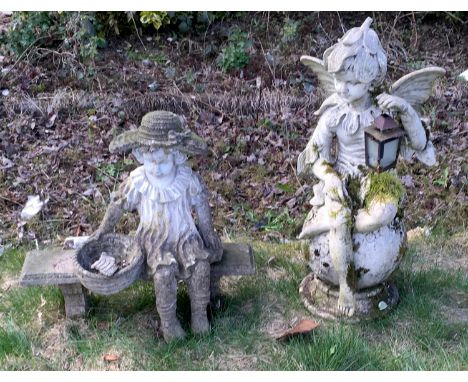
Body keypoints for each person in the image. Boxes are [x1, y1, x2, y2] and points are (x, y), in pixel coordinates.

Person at [297, 18, 429, 317]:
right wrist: (329, 177)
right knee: (341, 214)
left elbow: (419, 144)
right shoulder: (334, 115)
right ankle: (345, 284)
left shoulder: (385, 111)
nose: (343, 88)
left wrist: (406, 110)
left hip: (377, 178)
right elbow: (315, 155)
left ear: (371, 81)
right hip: (342, 178)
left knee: (381, 215)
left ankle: (324, 225)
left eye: (353, 82)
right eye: (340, 80)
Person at [90, 110, 223, 341]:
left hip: (185, 237)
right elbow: (117, 206)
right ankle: (169, 323)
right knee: (163, 274)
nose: (156, 168)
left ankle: (199, 314)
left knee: (201, 266)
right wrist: (101, 232)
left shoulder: (187, 178)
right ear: (141, 155)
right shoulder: (138, 180)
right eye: (151, 161)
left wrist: (208, 234)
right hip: (153, 240)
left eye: (162, 161)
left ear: (177, 156)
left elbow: (201, 208)